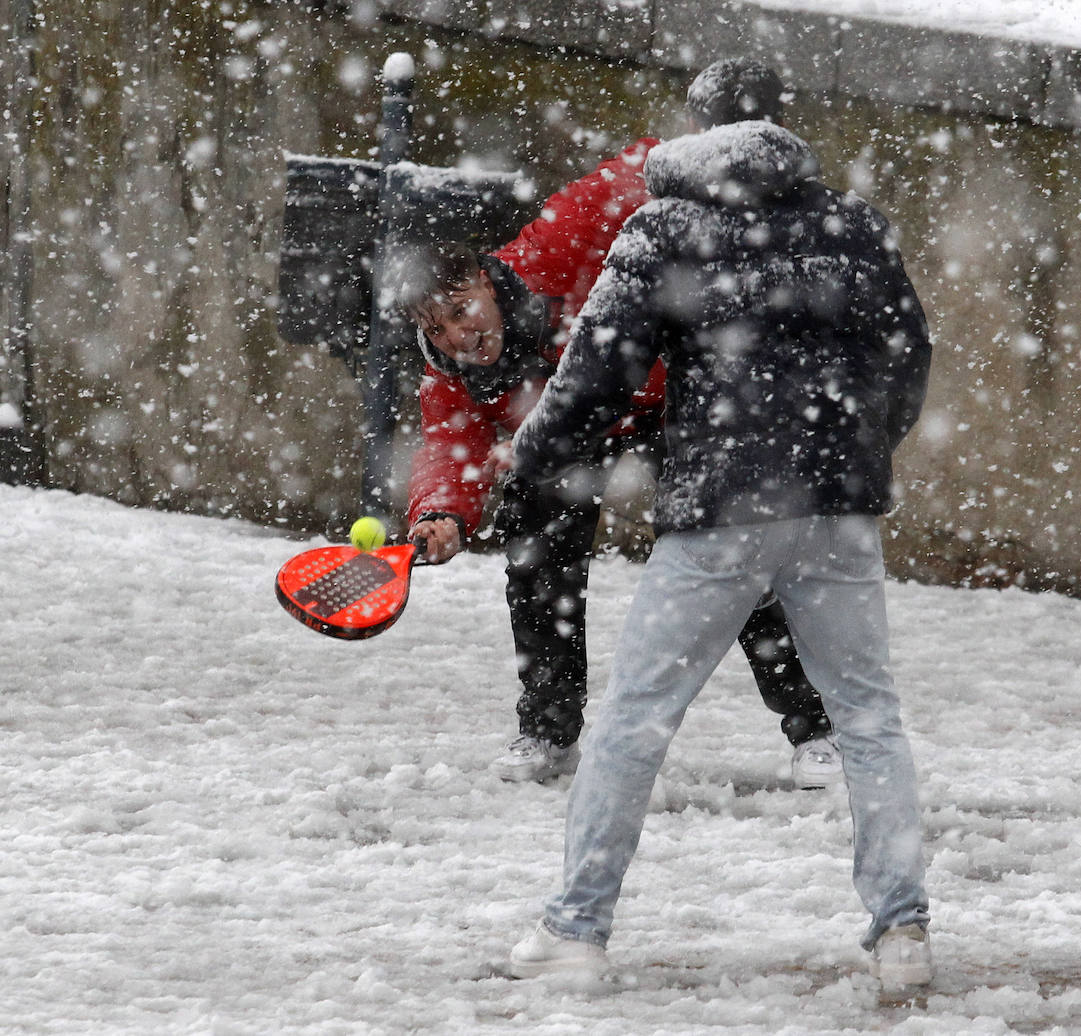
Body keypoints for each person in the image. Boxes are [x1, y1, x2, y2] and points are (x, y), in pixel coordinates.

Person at [504, 59, 936, 991]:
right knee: (869, 721)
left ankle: (576, 931)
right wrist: (857, 453)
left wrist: (530, 463)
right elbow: (908, 358)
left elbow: (594, 376)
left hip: (721, 506)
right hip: (839, 508)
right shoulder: (850, 224)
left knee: (634, 718)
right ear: (784, 124)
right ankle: (902, 932)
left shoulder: (664, 226)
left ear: (694, 127)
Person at [394, 144, 839, 787]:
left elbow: (625, 175)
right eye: (437, 329)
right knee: (535, 546)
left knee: (729, 547)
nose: (459, 336)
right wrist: (439, 513)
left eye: (462, 311)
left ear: (488, 282)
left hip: (667, 403)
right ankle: (547, 731)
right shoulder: (449, 375)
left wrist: (704, 146)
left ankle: (817, 728)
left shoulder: (550, 250)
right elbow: (448, 447)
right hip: (564, 438)